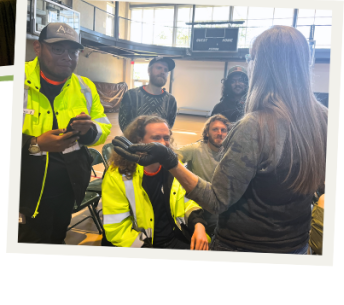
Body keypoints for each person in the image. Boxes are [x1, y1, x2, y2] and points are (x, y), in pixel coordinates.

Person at [115, 26, 327, 254]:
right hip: (295, 244)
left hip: (244, 246)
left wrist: (170, 161)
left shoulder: (255, 125)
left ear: (261, 65)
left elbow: (217, 200)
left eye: (250, 59)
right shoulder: (324, 119)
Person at [18, 22, 112, 244]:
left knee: (57, 238)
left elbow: (103, 127)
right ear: (38, 48)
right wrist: (35, 143)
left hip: (67, 187)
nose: (67, 57)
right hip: (25, 189)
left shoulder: (85, 87)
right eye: (58, 49)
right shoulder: (15, 79)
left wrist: (89, 131)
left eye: (73, 51)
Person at [101, 115, 210, 249]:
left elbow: (186, 200)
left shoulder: (173, 167)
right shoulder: (117, 175)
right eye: (156, 138)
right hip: (142, 244)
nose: (163, 143)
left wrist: (198, 225)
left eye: (166, 138)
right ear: (139, 141)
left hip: (174, 236)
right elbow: (117, 227)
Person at [175, 114, 230, 237]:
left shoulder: (230, 154)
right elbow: (172, 160)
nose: (219, 133)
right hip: (197, 208)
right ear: (207, 133)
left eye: (223, 130)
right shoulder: (195, 149)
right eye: (215, 129)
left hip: (219, 209)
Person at [117, 57, 178, 129]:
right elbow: (125, 127)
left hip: (159, 140)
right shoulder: (131, 96)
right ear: (149, 70)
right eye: (159, 68)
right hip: (134, 140)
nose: (163, 72)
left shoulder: (171, 101)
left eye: (166, 70)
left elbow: (168, 128)